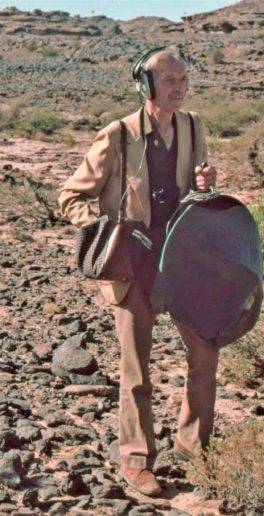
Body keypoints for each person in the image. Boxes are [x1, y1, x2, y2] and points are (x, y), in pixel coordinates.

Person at [58, 46, 218, 496]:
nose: (179, 87)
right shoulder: (117, 135)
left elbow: (195, 187)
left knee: (205, 352)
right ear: (146, 86)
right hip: (134, 265)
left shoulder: (192, 126)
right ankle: (136, 460)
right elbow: (70, 194)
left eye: (183, 79)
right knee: (137, 370)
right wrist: (98, 227)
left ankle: (194, 446)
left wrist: (206, 185)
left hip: (183, 260)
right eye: (169, 80)